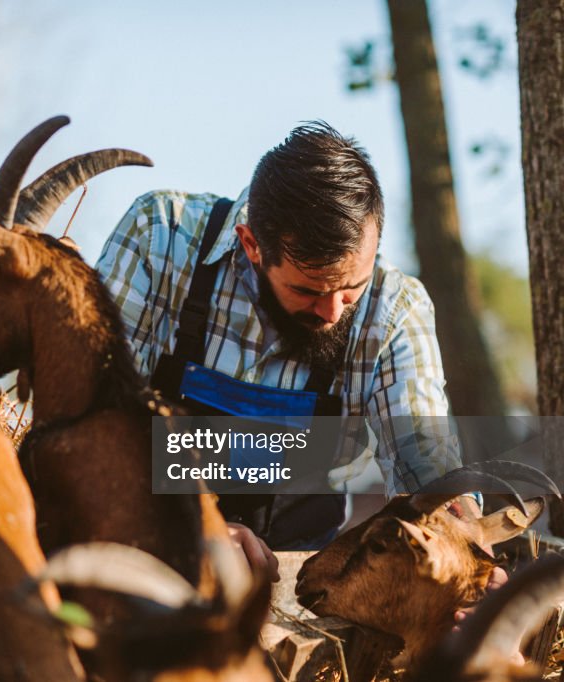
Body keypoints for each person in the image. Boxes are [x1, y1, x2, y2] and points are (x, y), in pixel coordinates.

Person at [96, 121, 463, 564]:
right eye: (308, 291)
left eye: (352, 290)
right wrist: (196, 527)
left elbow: (425, 459)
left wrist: (461, 552)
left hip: (299, 574)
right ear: (251, 244)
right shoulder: (160, 235)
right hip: (141, 547)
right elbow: (93, 416)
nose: (332, 315)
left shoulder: (396, 307)